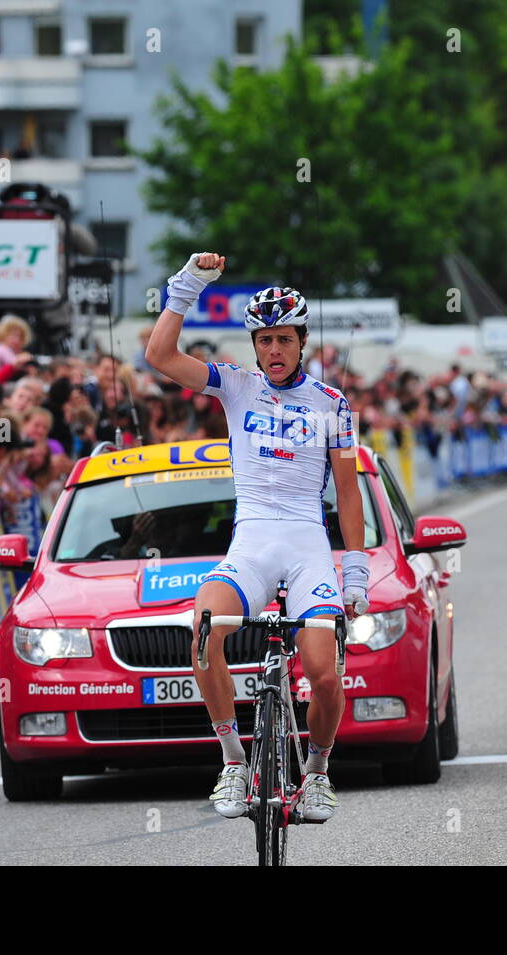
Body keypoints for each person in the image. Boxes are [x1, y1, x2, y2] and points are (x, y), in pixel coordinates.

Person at [145, 252, 369, 823]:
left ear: (302, 342)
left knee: (322, 672)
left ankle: (317, 773)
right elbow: (160, 356)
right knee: (203, 629)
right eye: (265, 339)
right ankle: (232, 762)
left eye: (285, 340)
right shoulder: (236, 387)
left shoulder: (333, 405)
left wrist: (356, 569)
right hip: (251, 542)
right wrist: (188, 285)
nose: (274, 350)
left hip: (306, 545)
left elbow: (346, 493)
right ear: (254, 344)